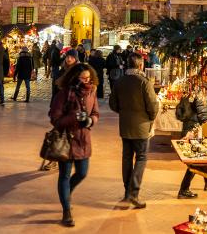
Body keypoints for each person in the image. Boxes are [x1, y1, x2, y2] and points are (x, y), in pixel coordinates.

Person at [49, 63, 100, 227]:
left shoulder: (92, 91)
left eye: (88, 77)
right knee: (64, 175)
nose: (87, 80)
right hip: (66, 139)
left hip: (83, 139)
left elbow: (96, 113)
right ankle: (66, 211)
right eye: (83, 78)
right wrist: (73, 117)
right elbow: (55, 118)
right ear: (74, 78)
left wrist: (91, 120)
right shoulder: (64, 94)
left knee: (82, 172)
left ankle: (66, 194)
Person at [109, 54, 159, 209]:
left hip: (125, 125)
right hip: (142, 126)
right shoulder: (144, 82)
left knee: (127, 158)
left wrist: (124, 112)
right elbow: (153, 105)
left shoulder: (120, 82)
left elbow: (113, 104)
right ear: (140, 65)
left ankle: (127, 192)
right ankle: (133, 193)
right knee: (141, 157)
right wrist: (150, 117)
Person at [176, 70, 207, 198]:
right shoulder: (201, 90)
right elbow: (202, 112)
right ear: (205, 76)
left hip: (190, 125)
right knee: (195, 161)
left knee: (202, 157)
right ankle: (183, 189)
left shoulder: (192, 88)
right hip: (195, 128)